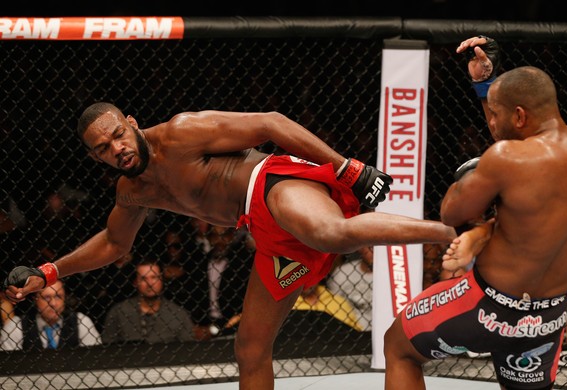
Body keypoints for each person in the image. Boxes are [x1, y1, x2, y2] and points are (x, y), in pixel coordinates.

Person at [3, 102, 462, 390]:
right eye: (103, 148)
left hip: (273, 185)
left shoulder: (181, 133)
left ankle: (448, 231)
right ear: (94, 156)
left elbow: (271, 123)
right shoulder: (133, 191)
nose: (117, 148)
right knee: (250, 348)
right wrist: (50, 272)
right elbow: (112, 244)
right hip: (266, 236)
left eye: (118, 134)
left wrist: (346, 168)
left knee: (332, 233)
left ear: (131, 122)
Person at [383, 35, 567, 390]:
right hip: (549, 315)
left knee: (398, 347)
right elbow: (531, 167)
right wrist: (485, 84)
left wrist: (472, 176)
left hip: (487, 307)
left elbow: (451, 212)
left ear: (519, 116)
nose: (490, 122)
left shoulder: (505, 159)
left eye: (495, 114)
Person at [101, 259, 195, 344]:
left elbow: (188, 349)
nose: (149, 283)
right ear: (135, 282)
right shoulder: (119, 312)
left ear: (162, 280)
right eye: (143, 279)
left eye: (154, 277)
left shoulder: (178, 314)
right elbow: (107, 348)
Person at [1, 280, 101, 351]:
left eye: (58, 296)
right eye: (46, 298)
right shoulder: (17, 325)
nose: (53, 303)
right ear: (36, 300)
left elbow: (96, 359)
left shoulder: (80, 321)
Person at [326, 246, 373, 331]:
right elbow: (331, 302)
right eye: (370, 248)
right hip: (346, 329)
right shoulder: (343, 271)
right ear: (361, 248)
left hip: (378, 328)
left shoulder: (389, 275)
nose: (374, 252)